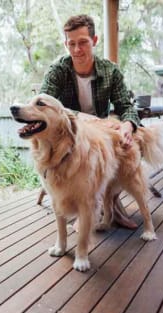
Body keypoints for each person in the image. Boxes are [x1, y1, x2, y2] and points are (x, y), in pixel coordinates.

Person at [40, 14, 140, 229]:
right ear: (66, 44)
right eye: (71, 43)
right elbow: (43, 104)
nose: (77, 50)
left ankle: (111, 205)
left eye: (83, 42)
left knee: (127, 143)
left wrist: (127, 125)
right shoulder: (58, 70)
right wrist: (79, 116)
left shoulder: (110, 70)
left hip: (100, 131)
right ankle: (83, 206)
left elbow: (126, 107)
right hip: (68, 134)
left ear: (94, 41)